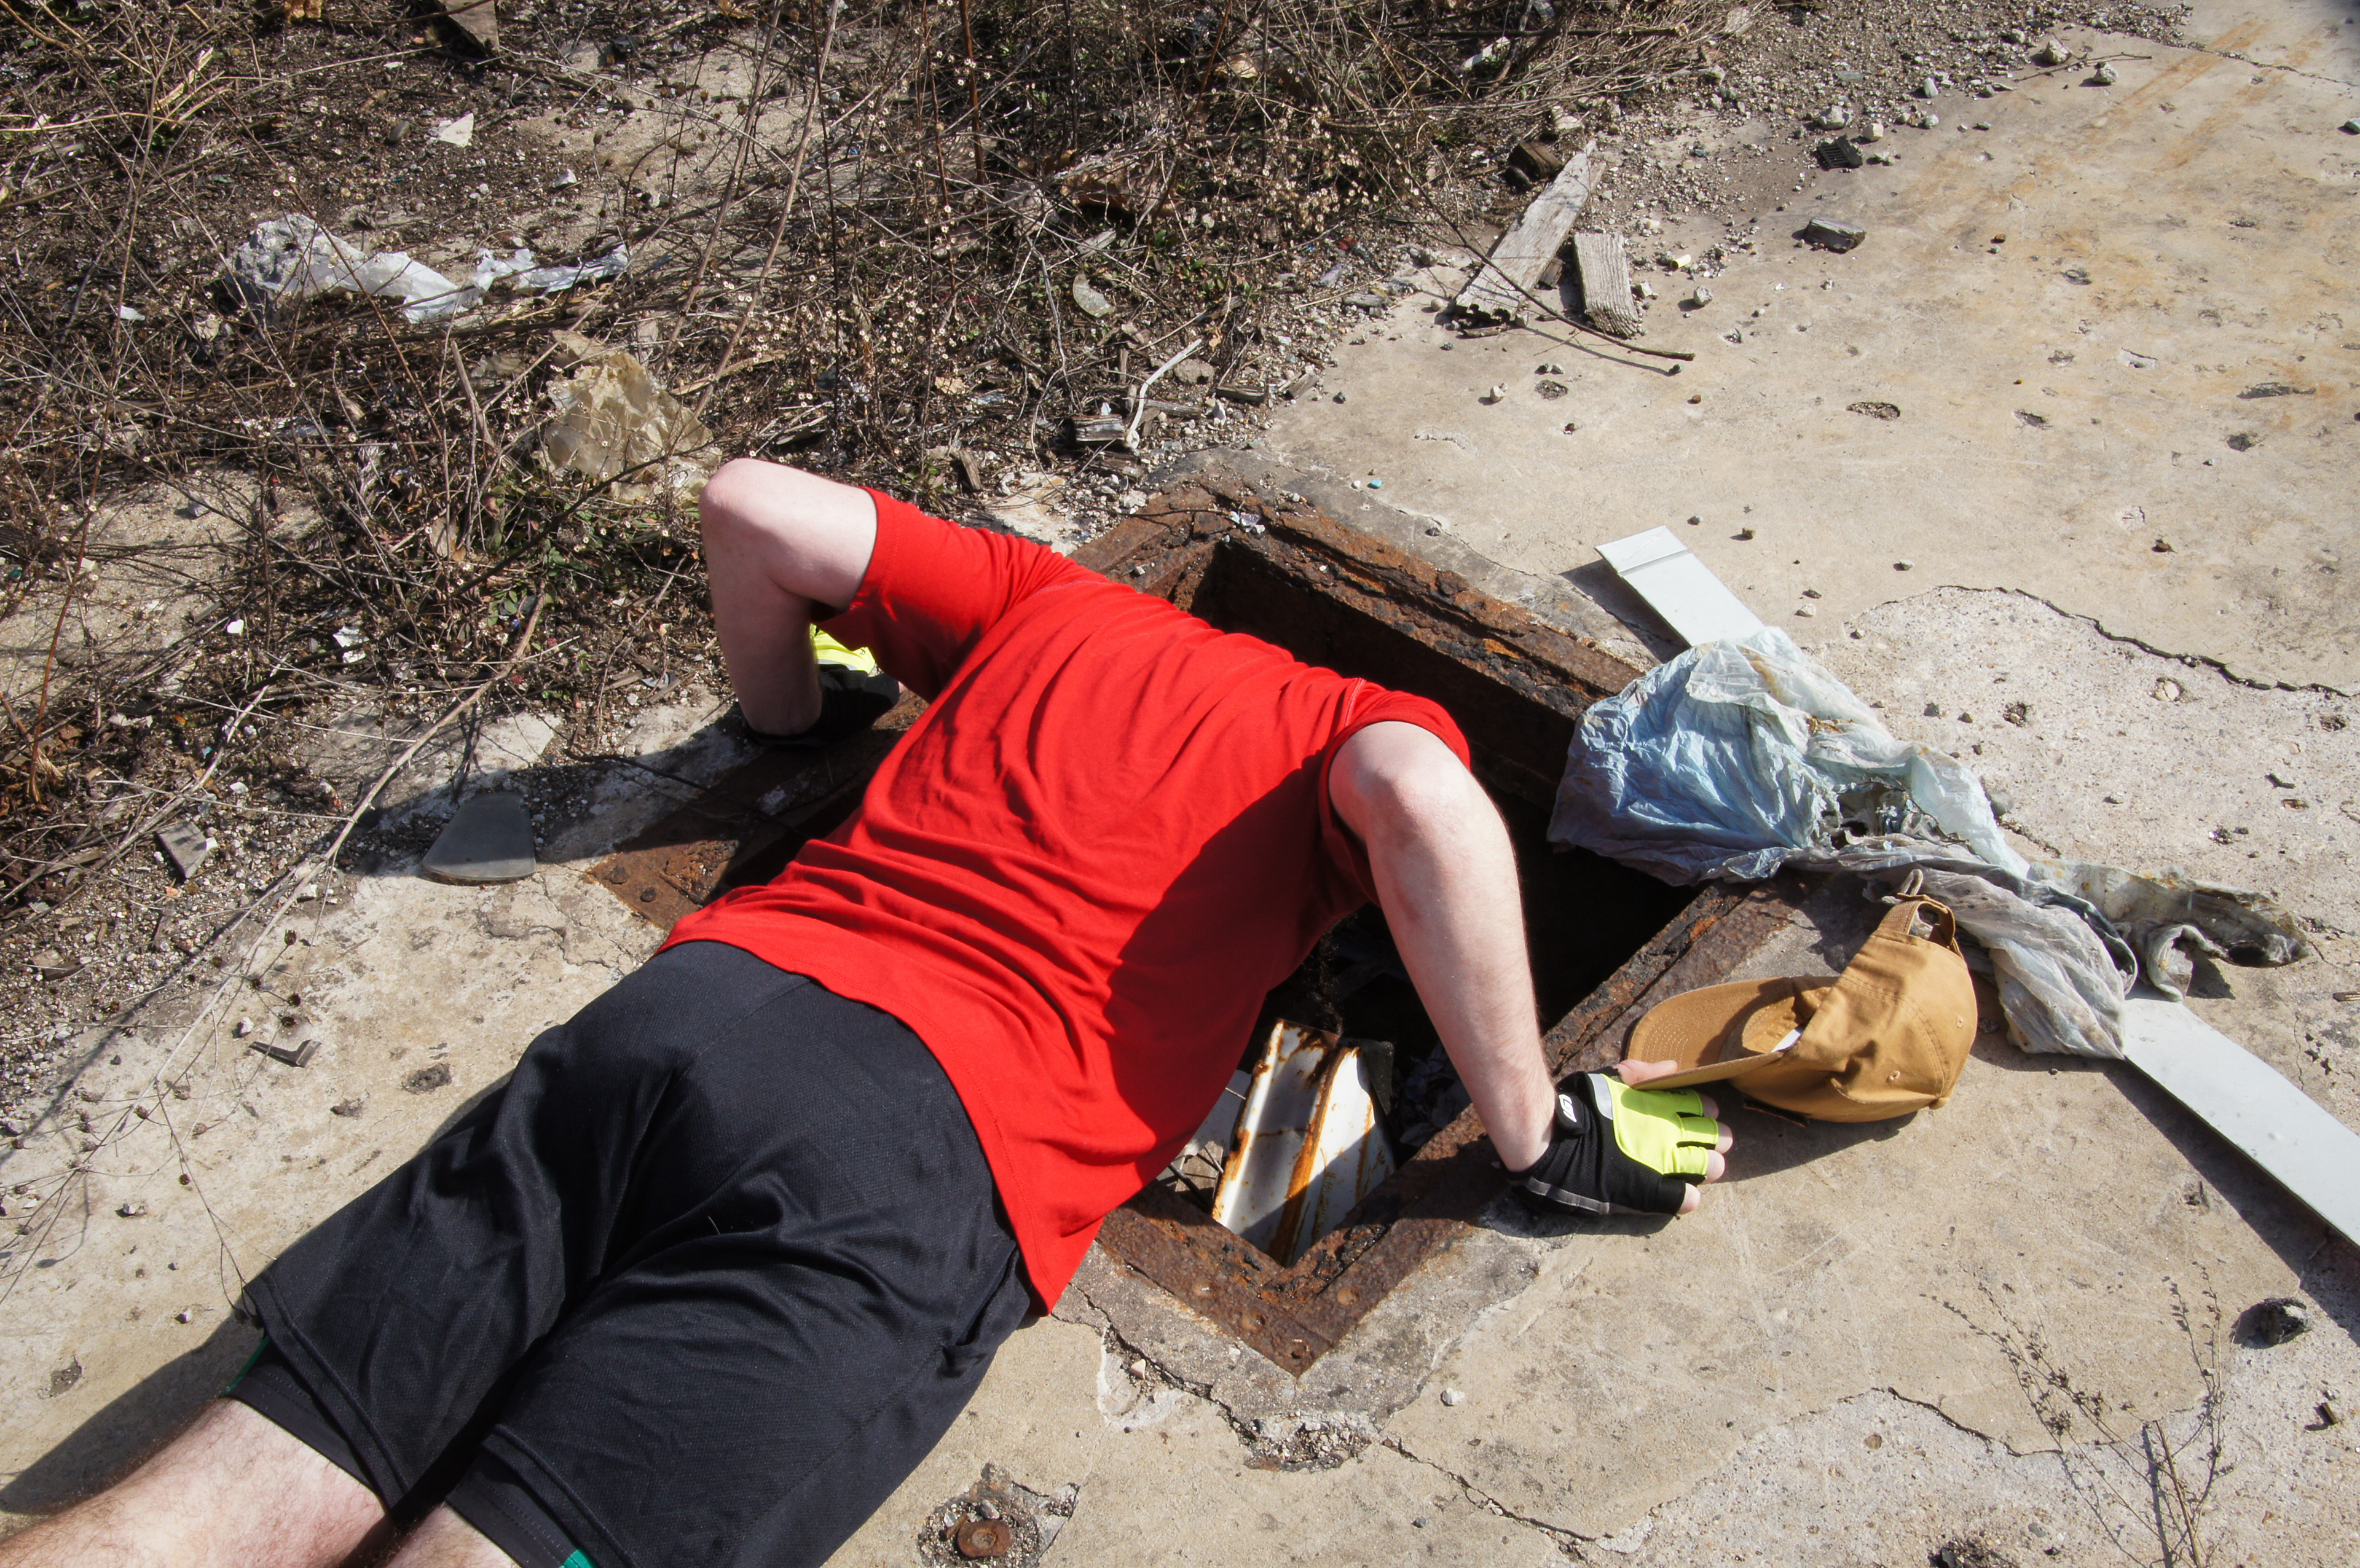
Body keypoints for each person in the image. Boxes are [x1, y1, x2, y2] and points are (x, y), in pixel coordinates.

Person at [0, 462, 1732, 1568]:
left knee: (213, 1501)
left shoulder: (1058, 606)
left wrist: (782, 724)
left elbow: (751, 504)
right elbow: (1426, 812)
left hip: (689, 1023)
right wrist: (1533, 1131)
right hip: (921, 1162)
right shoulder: (1362, 727)